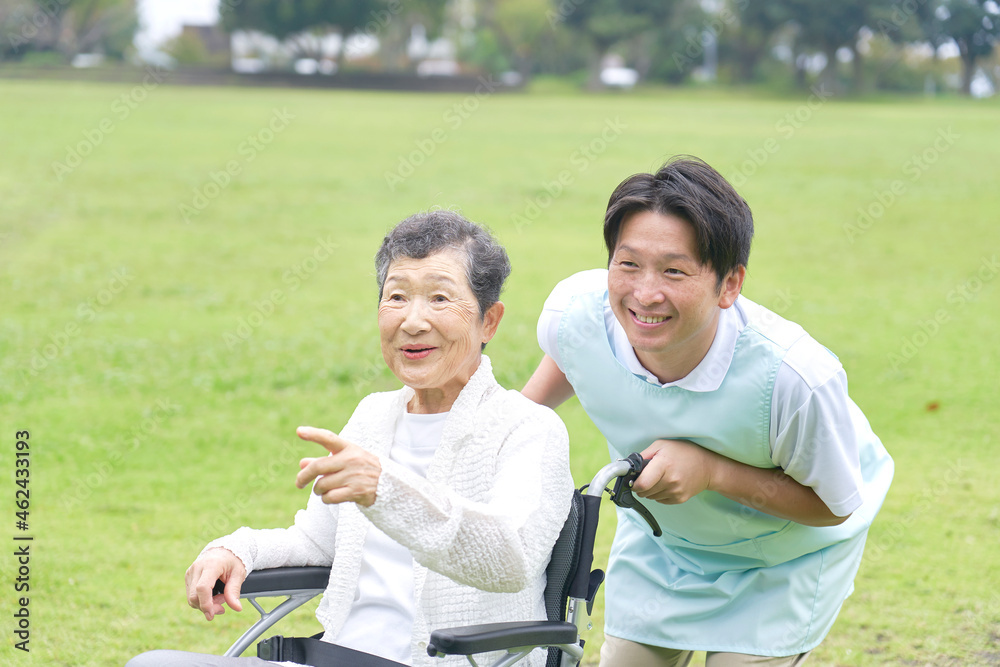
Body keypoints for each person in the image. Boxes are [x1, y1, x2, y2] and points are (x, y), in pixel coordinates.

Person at [128, 211, 574, 667]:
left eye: (440, 298)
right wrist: (239, 549)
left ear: (489, 322)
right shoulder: (373, 416)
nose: (413, 321)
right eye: (396, 297)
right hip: (335, 656)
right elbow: (319, 544)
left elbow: (509, 560)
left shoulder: (529, 428)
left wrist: (385, 490)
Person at [521, 156, 894, 667]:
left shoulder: (795, 379)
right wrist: (514, 422)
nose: (645, 294)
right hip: (664, 542)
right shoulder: (577, 312)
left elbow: (834, 505)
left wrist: (711, 471)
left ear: (729, 284)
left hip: (784, 559)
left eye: (674, 271)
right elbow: (574, 351)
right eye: (628, 264)